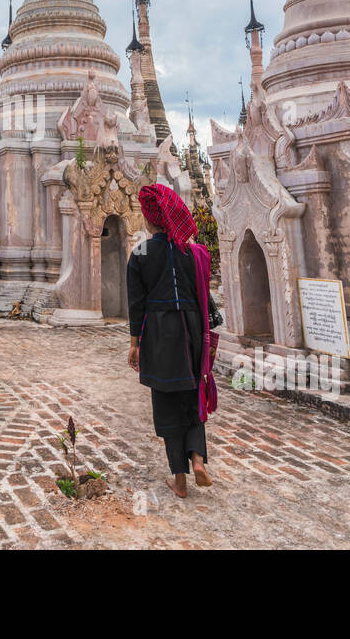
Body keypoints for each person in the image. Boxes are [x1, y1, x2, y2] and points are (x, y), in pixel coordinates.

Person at [126, 184, 220, 499]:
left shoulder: (140, 252)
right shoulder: (190, 252)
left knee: (166, 401)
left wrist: (134, 343)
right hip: (191, 328)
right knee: (193, 393)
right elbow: (202, 295)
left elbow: (136, 302)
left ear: (149, 219)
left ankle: (179, 481)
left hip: (159, 332)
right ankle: (197, 459)